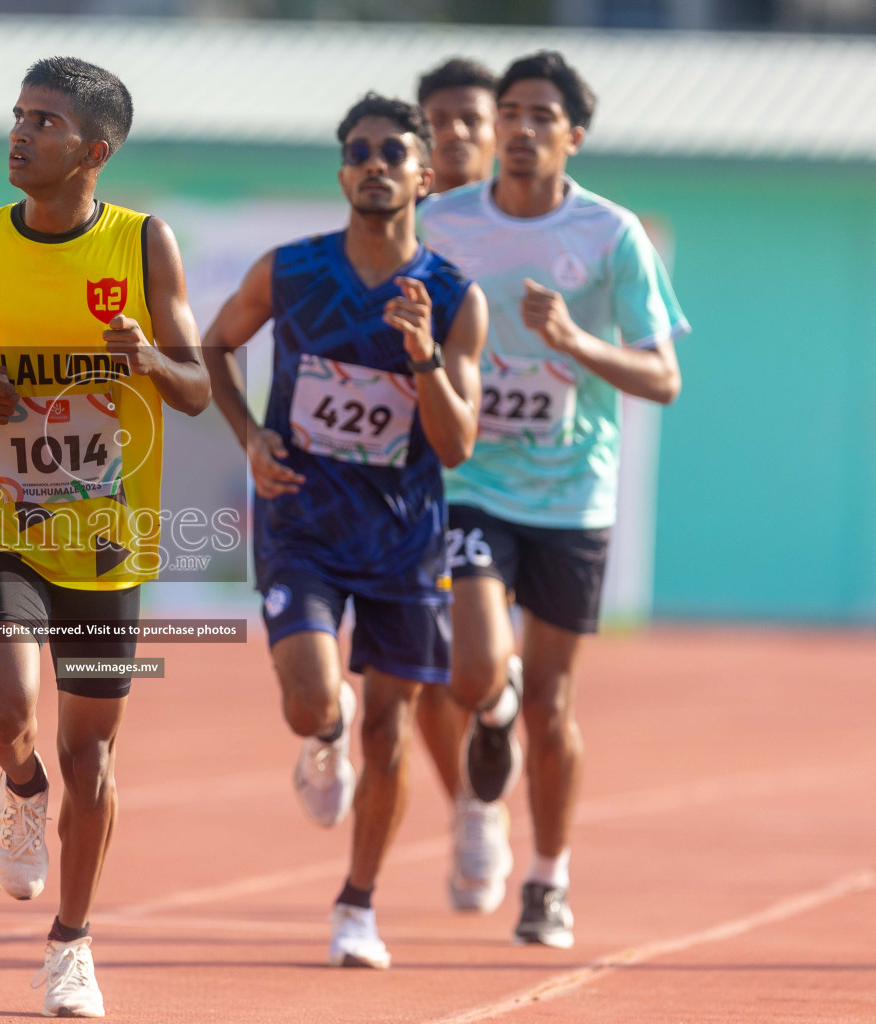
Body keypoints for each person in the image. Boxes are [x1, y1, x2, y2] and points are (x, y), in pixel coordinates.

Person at [0, 57, 208, 1017]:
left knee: (94, 761)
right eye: (18, 115)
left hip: (109, 546)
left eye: (46, 123)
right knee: (1, 712)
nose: (20, 134)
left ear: (95, 151)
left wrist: (147, 357)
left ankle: (72, 945)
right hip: (3, 529)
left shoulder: (143, 245)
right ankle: (18, 785)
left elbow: (196, 390)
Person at [203, 92, 486, 968]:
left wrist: (424, 358)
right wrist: (251, 440)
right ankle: (326, 732)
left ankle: (357, 906)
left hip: (404, 536)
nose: (375, 164)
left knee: (391, 732)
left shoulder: (451, 297)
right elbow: (214, 348)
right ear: (341, 172)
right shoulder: (289, 269)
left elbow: (458, 444)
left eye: (393, 153)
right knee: (313, 701)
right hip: (302, 518)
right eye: (359, 151)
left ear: (424, 176)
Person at [420, 51, 688, 949]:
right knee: (474, 672)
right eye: (511, 113)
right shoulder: (442, 222)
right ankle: (489, 708)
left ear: (574, 135)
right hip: (471, 483)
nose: (522, 128)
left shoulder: (611, 236)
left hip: (574, 494)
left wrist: (572, 338)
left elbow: (663, 377)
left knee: (554, 706)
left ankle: (549, 878)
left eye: (543, 115)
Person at [414, 56, 519, 915]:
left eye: (469, 121)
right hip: (407, 479)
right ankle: (472, 807)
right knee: (413, 671)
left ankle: (496, 708)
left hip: (511, 479)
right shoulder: (390, 222)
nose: (452, 135)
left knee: (475, 668)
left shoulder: (536, 219)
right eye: (436, 119)